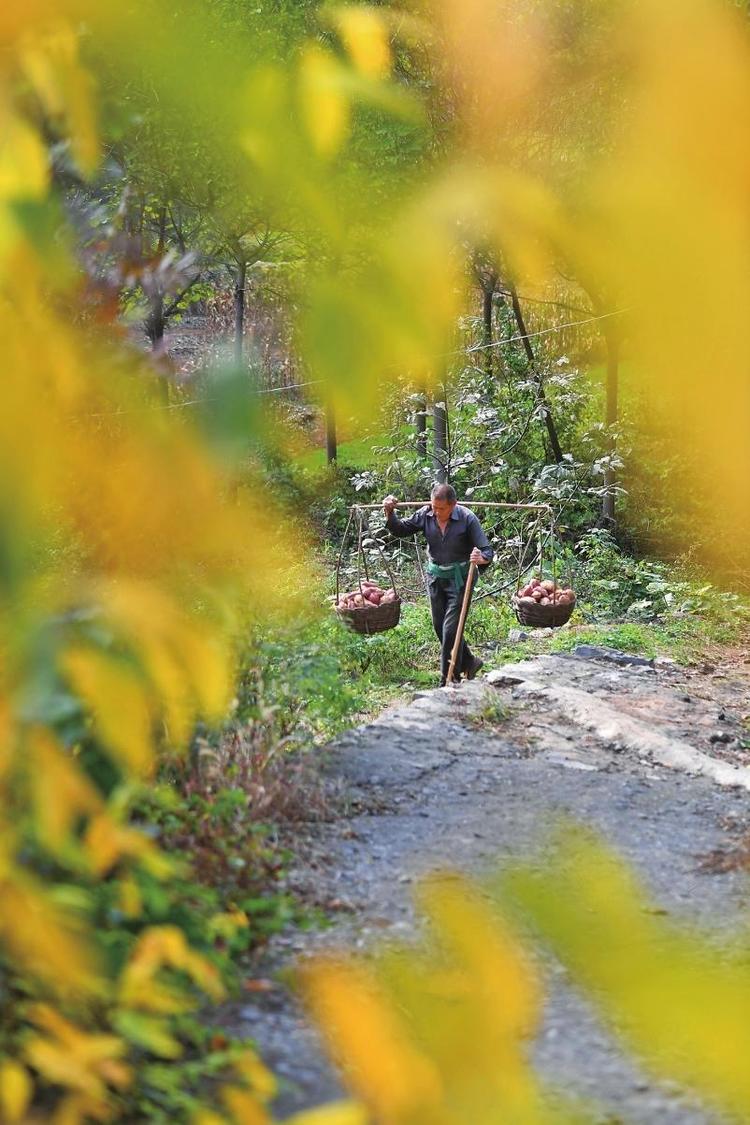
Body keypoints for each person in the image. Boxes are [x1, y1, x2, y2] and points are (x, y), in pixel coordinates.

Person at [383, 484, 493, 686]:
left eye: (441, 508)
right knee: (438, 626)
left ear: (454, 505)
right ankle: (469, 661)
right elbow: (401, 529)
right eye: (434, 506)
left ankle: (449, 679)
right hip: (435, 578)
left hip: (460, 579)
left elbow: (487, 551)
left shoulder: (467, 518)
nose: (436, 512)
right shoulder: (426, 513)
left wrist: (480, 557)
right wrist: (390, 513)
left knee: (450, 630)